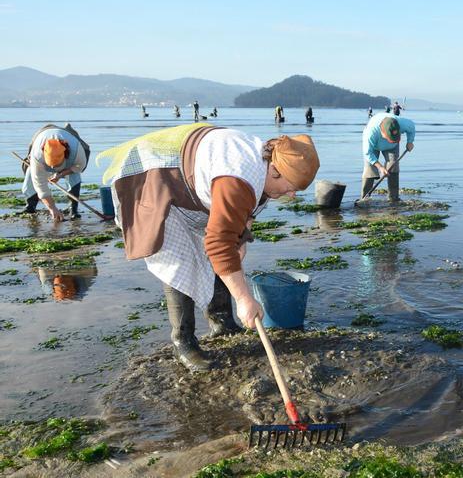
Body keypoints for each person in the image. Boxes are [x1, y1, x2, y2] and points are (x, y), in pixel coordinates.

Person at [98, 123, 320, 371]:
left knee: (226, 252)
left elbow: (247, 209)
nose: (291, 196)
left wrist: (242, 236)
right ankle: (184, 343)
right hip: (153, 178)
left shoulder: (265, 166)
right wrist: (244, 299)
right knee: (180, 262)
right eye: (291, 188)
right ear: (276, 171)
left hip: (191, 178)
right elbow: (219, 243)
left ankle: (222, 322)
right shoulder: (238, 177)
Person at [21, 123, 91, 221]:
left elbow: (79, 167)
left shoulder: (77, 151)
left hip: (68, 140)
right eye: (51, 165)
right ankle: (30, 207)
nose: (53, 168)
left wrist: (61, 174)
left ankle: (73, 209)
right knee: (31, 177)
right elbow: (40, 185)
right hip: (41, 135)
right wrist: (52, 208)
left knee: (74, 176)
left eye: (57, 165)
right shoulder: (37, 156)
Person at [361, 113, 415, 201]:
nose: (392, 141)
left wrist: (410, 141)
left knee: (393, 167)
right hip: (373, 147)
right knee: (370, 170)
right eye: (390, 138)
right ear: (382, 132)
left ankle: (393, 198)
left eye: (394, 138)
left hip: (392, 148)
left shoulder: (401, 123)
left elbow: (412, 127)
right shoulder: (371, 133)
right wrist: (381, 167)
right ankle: (364, 199)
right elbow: (368, 153)